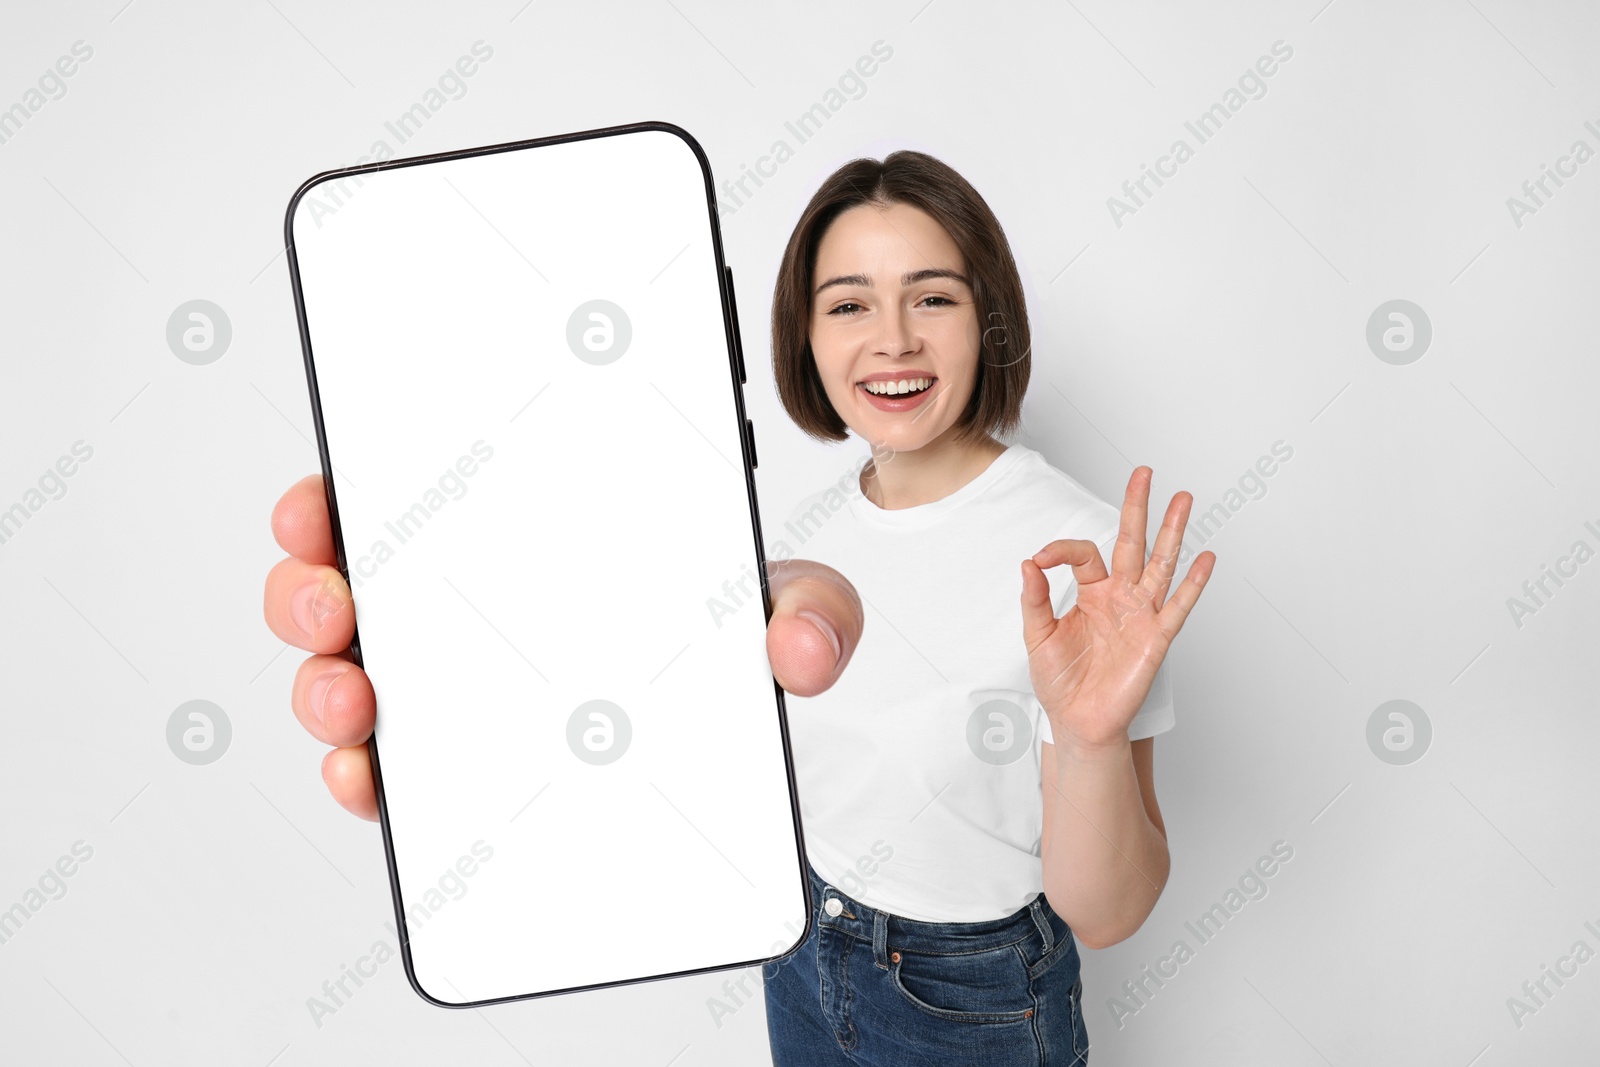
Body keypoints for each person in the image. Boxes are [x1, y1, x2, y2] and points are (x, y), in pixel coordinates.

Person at [262, 148, 1213, 1066]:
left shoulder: (1088, 565)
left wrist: (1090, 740)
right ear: (805, 337)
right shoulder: (803, 548)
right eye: (849, 304)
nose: (893, 338)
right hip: (801, 948)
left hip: (970, 997)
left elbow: (1109, 909)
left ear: (989, 319)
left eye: (933, 296)